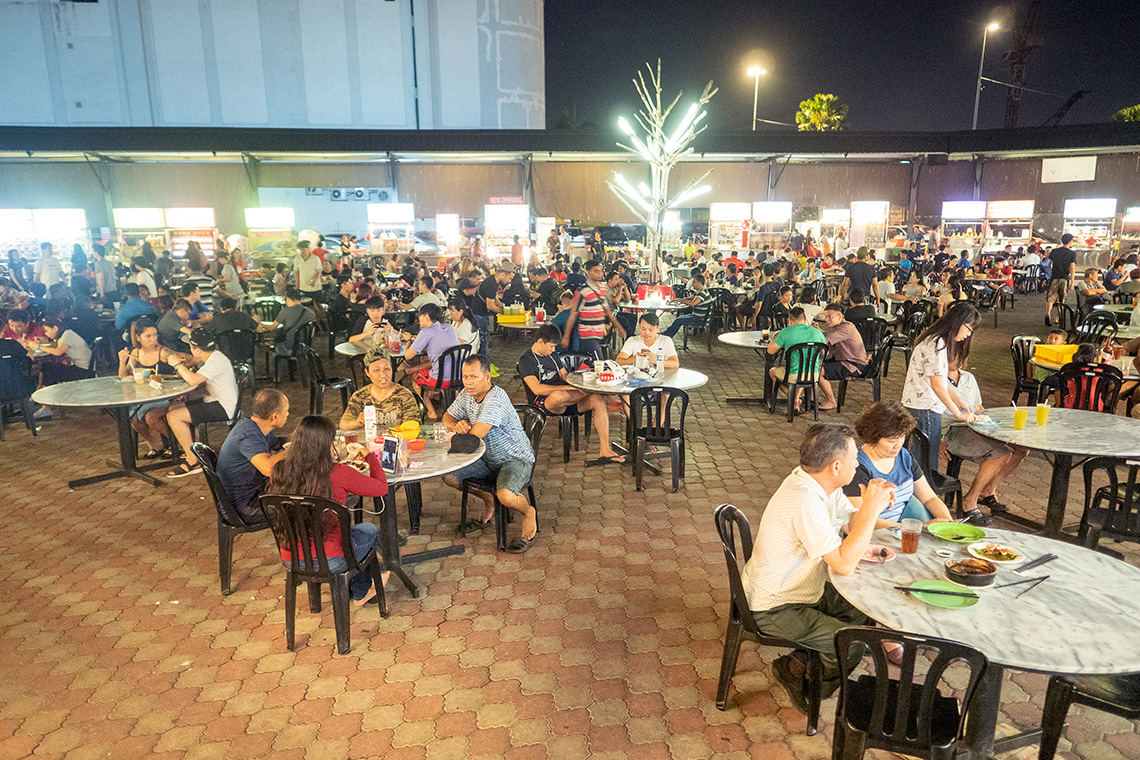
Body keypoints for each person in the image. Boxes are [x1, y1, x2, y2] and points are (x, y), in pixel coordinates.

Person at [741, 423, 894, 711]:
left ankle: (802, 660)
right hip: (774, 605)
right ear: (836, 466)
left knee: (860, 606)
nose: (858, 464)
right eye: (854, 460)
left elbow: (849, 524)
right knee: (852, 645)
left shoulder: (816, 482)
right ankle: (806, 686)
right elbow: (844, 564)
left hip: (797, 588)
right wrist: (871, 510)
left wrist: (874, 505)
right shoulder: (805, 500)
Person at [266, 415, 388, 605]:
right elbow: (381, 487)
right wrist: (370, 456)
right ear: (326, 445)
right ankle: (361, 591)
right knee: (368, 530)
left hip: (292, 559)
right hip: (333, 559)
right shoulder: (338, 472)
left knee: (350, 536)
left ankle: (348, 590)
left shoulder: (279, 470)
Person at [442, 355, 538, 553]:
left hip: (514, 458)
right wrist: (456, 424)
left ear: (487, 377)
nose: (468, 382)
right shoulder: (467, 394)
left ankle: (528, 512)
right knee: (448, 476)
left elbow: (473, 438)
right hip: (486, 459)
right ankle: (489, 499)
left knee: (505, 495)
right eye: (465, 377)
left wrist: (460, 430)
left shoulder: (496, 399)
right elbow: (447, 417)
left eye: (474, 377)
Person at [519, 324, 628, 463]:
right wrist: (570, 388)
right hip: (544, 403)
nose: (553, 350)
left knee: (597, 399)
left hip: (568, 399)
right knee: (559, 396)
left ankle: (605, 449)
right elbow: (537, 389)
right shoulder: (526, 360)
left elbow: (564, 375)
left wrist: (579, 378)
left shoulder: (552, 355)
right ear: (540, 341)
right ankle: (594, 390)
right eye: (551, 346)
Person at [843, 401, 954, 528]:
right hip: (878, 536)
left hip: (909, 528)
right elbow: (860, 521)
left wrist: (948, 522)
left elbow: (929, 498)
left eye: (902, 437)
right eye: (891, 441)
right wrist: (914, 528)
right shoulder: (857, 468)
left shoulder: (904, 456)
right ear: (872, 439)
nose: (898, 445)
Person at [901, 303, 979, 475]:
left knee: (921, 457)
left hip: (920, 405)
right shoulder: (937, 344)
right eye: (968, 328)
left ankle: (920, 496)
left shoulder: (934, 340)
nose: (968, 334)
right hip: (925, 408)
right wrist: (958, 414)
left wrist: (961, 403)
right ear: (958, 322)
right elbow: (937, 386)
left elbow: (941, 381)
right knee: (927, 463)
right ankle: (924, 498)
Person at [944, 362, 1030, 516]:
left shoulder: (968, 377)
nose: (956, 358)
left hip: (976, 426)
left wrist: (981, 413)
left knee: (1022, 449)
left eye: (960, 354)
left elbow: (980, 407)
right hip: (953, 429)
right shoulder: (937, 378)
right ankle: (969, 500)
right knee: (1002, 453)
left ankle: (988, 489)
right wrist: (939, 439)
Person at [165, 329, 241, 477]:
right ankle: (194, 448)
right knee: (174, 408)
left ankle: (193, 461)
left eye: (191, 347)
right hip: (218, 401)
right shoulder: (215, 358)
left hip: (223, 407)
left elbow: (193, 380)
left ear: (197, 350)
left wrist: (177, 365)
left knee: (174, 416)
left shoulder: (215, 361)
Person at [217, 389, 290, 523]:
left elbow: (278, 443)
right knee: (302, 505)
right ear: (275, 416)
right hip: (244, 506)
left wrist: (304, 435)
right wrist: (296, 449)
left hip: (254, 493)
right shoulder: (248, 435)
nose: (288, 414)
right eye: (286, 411)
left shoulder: (255, 427)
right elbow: (268, 468)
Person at [116, 319, 185, 457]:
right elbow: (123, 377)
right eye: (148, 336)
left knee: (151, 418)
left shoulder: (164, 352)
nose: (153, 339)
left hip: (169, 395)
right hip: (147, 395)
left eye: (155, 335)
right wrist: (122, 362)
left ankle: (177, 443)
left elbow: (186, 362)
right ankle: (152, 446)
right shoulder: (136, 353)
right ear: (137, 337)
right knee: (133, 418)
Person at [400, 303, 460, 418]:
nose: (419, 319)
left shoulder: (425, 332)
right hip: (457, 376)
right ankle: (436, 396)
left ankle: (431, 411)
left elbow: (408, 356)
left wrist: (408, 341)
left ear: (426, 317)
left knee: (415, 377)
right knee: (431, 362)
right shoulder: (449, 327)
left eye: (420, 317)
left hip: (441, 379)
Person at [340, 346, 420, 430]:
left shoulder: (404, 396)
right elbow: (343, 424)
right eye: (376, 370)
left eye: (386, 369)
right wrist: (356, 422)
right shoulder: (360, 396)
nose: (383, 374)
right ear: (367, 372)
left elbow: (412, 427)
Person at [560, 259, 626, 357]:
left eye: (601, 271)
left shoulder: (602, 289)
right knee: (599, 361)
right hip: (588, 334)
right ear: (588, 272)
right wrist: (566, 336)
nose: (600, 274)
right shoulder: (582, 291)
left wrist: (619, 327)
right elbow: (573, 313)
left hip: (600, 333)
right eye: (596, 271)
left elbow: (607, 310)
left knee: (590, 363)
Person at [767, 307, 826, 406]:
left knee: (772, 371)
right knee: (804, 367)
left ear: (789, 321)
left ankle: (793, 398)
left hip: (793, 375)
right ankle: (797, 398)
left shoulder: (786, 332)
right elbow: (825, 353)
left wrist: (774, 338)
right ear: (806, 319)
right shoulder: (818, 332)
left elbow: (770, 350)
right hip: (814, 374)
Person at [816, 303, 868, 411]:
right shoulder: (843, 327)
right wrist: (818, 330)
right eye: (826, 317)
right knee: (816, 365)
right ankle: (812, 397)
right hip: (846, 361)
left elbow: (824, 340)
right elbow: (829, 337)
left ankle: (831, 401)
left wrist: (814, 332)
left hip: (851, 365)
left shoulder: (846, 328)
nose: (827, 320)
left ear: (840, 317)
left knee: (817, 371)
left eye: (830, 317)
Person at [262, 289, 316, 359]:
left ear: (288, 299)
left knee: (276, 346)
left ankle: (279, 368)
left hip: (289, 349)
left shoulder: (285, 311)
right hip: (305, 348)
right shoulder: (310, 312)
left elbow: (271, 327)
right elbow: (312, 334)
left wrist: (259, 324)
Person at [615, 312, 680, 370]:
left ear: (658, 329)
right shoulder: (632, 341)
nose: (647, 333)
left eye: (651, 330)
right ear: (639, 328)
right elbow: (618, 361)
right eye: (643, 329)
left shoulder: (665, 341)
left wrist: (657, 360)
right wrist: (635, 359)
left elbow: (675, 363)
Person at [661, 273, 713, 339]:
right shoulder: (701, 290)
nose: (692, 284)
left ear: (699, 283)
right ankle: (666, 334)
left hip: (699, 319)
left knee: (678, 320)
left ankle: (666, 336)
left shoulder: (702, 292)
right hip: (697, 316)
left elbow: (692, 303)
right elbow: (692, 298)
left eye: (694, 282)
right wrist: (680, 299)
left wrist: (681, 301)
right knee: (679, 319)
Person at [1046, 233, 1077, 326]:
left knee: (1050, 298)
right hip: (1064, 278)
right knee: (1062, 298)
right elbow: (1072, 268)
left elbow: (1049, 264)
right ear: (1070, 241)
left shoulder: (1054, 251)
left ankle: (1048, 313)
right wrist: (1072, 282)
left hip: (1054, 277)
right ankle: (1057, 318)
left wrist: (1054, 268)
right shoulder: (1072, 253)